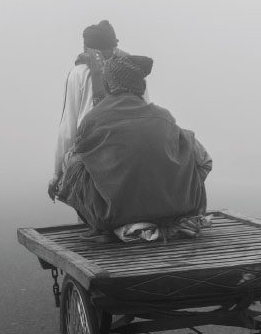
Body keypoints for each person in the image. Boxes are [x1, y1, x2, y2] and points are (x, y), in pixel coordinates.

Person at [57, 54, 212, 238]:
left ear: (108, 85)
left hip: (112, 217)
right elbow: (205, 162)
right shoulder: (163, 116)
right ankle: (167, 211)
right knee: (189, 145)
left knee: (72, 159)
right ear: (141, 86)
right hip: (176, 210)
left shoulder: (93, 118)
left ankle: (110, 221)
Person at [48, 20, 149, 200]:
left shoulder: (78, 73)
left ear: (87, 47)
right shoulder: (133, 71)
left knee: (80, 186)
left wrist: (57, 173)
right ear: (114, 46)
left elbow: (68, 129)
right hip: (133, 154)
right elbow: (145, 111)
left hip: (92, 157)